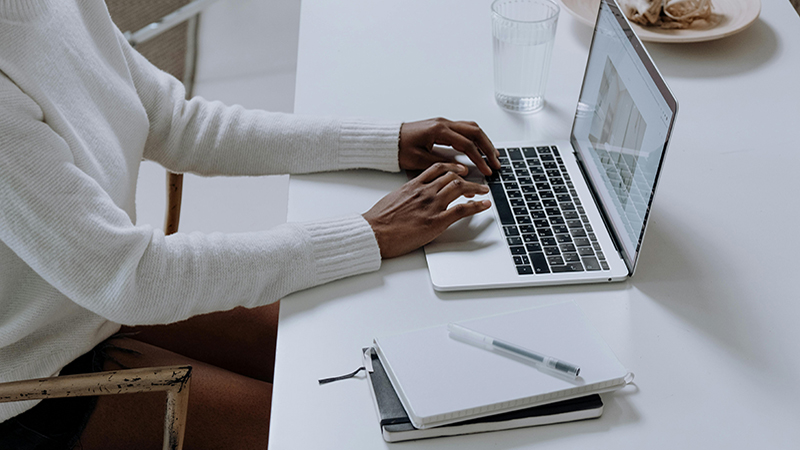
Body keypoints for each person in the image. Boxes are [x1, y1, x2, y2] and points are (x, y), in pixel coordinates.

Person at [0, 1, 500, 449]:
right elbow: (132, 277)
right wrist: (369, 233)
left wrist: (383, 141)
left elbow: (175, 121)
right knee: (330, 428)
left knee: (363, 357)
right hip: (32, 381)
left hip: (93, 303)